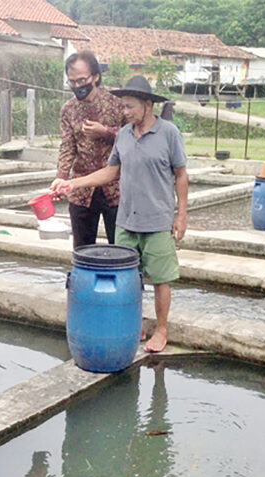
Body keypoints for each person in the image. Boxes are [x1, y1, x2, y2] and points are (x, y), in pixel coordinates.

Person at [51, 75, 188, 353]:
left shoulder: (168, 133)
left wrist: (181, 215)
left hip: (157, 220)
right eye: (122, 106)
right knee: (130, 279)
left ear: (147, 104)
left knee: (160, 279)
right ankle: (135, 324)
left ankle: (161, 330)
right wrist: (73, 183)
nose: (124, 112)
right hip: (126, 221)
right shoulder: (124, 135)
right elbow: (111, 172)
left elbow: (181, 175)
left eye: (129, 106)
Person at [55, 50, 125, 248]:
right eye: (72, 81)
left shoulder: (117, 103)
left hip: (116, 188)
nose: (78, 86)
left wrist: (106, 132)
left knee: (121, 247)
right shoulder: (68, 109)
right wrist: (61, 177)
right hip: (81, 189)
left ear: (95, 77)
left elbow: (134, 138)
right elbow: (67, 145)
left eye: (82, 80)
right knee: (82, 249)